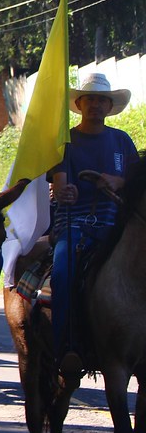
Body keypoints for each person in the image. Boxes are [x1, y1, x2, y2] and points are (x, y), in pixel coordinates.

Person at [49, 73, 137, 377]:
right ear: (80, 103)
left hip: (115, 226)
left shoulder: (122, 141)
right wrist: (65, 191)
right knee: (62, 272)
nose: (96, 105)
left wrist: (118, 180)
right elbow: (59, 183)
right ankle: (63, 347)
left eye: (102, 100)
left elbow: (138, 183)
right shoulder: (65, 142)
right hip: (75, 223)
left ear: (109, 105)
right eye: (91, 99)